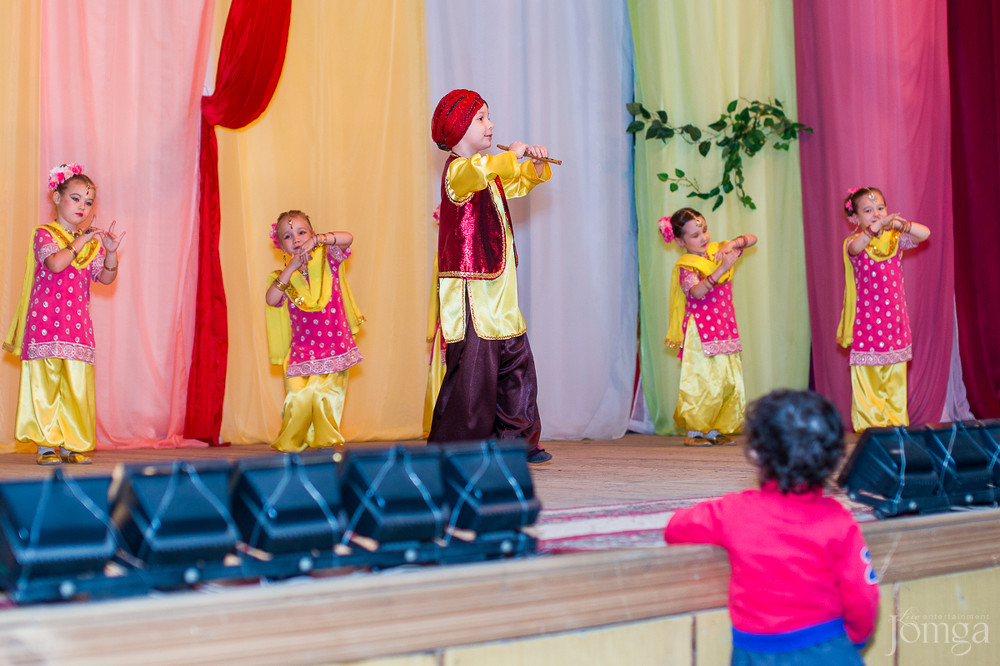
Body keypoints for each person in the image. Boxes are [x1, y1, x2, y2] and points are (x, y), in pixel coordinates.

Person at [665, 389, 880, 664]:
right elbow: (863, 596)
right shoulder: (839, 521)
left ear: (756, 453)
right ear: (834, 457)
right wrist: (854, 639)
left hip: (756, 653)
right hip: (828, 649)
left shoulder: (734, 511)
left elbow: (676, 527)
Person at [427, 88, 552, 464]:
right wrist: (510, 155)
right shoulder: (458, 171)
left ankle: (516, 442)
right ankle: (458, 447)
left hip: (498, 283)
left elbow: (516, 181)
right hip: (471, 286)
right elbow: (487, 171)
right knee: (475, 371)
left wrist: (533, 164)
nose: (490, 124)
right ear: (458, 126)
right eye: (481, 117)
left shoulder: (485, 170)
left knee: (515, 361)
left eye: (488, 116)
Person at [3, 163, 124, 465]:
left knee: (75, 387)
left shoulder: (91, 244)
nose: (82, 206)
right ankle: (46, 446)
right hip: (45, 325)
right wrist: (82, 239)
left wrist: (109, 251)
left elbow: (105, 279)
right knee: (45, 386)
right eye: (75, 198)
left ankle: (72, 446)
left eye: (88, 201)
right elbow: (56, 264)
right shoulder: (44, 234)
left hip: (77, 327)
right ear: (56, 198)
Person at [264, 210, 363, 453]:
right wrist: (293, 267)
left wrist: (319, 240)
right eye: (287, 236)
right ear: (280, 245)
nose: (296, 240)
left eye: (301, 232)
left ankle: (327, 451)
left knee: (323, 400)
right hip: (301, 352)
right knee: (298, 400)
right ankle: (290, 447)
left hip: (333, 347)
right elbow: (271, 298)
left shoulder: (329, 259)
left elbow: (348, 238)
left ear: (311, 233)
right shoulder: (281, 278)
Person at [836, 187, 930, 432]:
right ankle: (872, 437)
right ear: (854, 219)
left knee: (895, 386)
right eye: (868, 210)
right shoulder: (854, 244)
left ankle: (897, 435)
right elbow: (856, 248)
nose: (876, 213)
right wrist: (878, 226)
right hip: (867, 330)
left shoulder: (894, 241)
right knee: (870, 388)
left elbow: (924, 234)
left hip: (895, 328)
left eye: (880, 208)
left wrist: (902, 225)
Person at [661, 208, 756, 446]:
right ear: (680, 241)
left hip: (724, 327)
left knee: (725, 381)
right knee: (703, 381)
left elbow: (752, 238)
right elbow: (696, 291)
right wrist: (721, 269)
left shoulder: (716, 252)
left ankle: (713, 429)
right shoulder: (687, 265)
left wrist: (731, 244)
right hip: (701, 332)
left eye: (704, 230)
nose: (703, 237)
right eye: (695, 235)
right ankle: (695, 431)